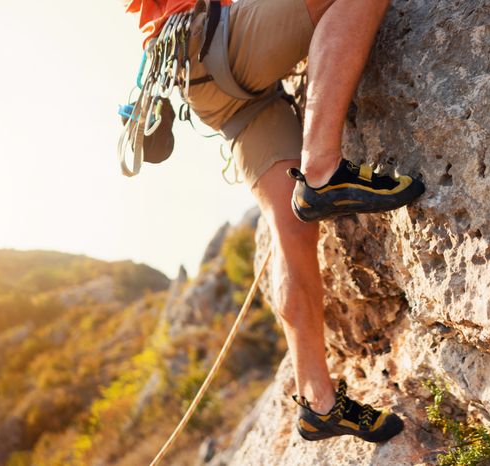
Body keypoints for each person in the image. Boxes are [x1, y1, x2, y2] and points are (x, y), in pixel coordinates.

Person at [124, 0, 425, 443]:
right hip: (211, 37)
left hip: (205, 78)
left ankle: (318, 402)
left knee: (294, 232)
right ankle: (322, 170)